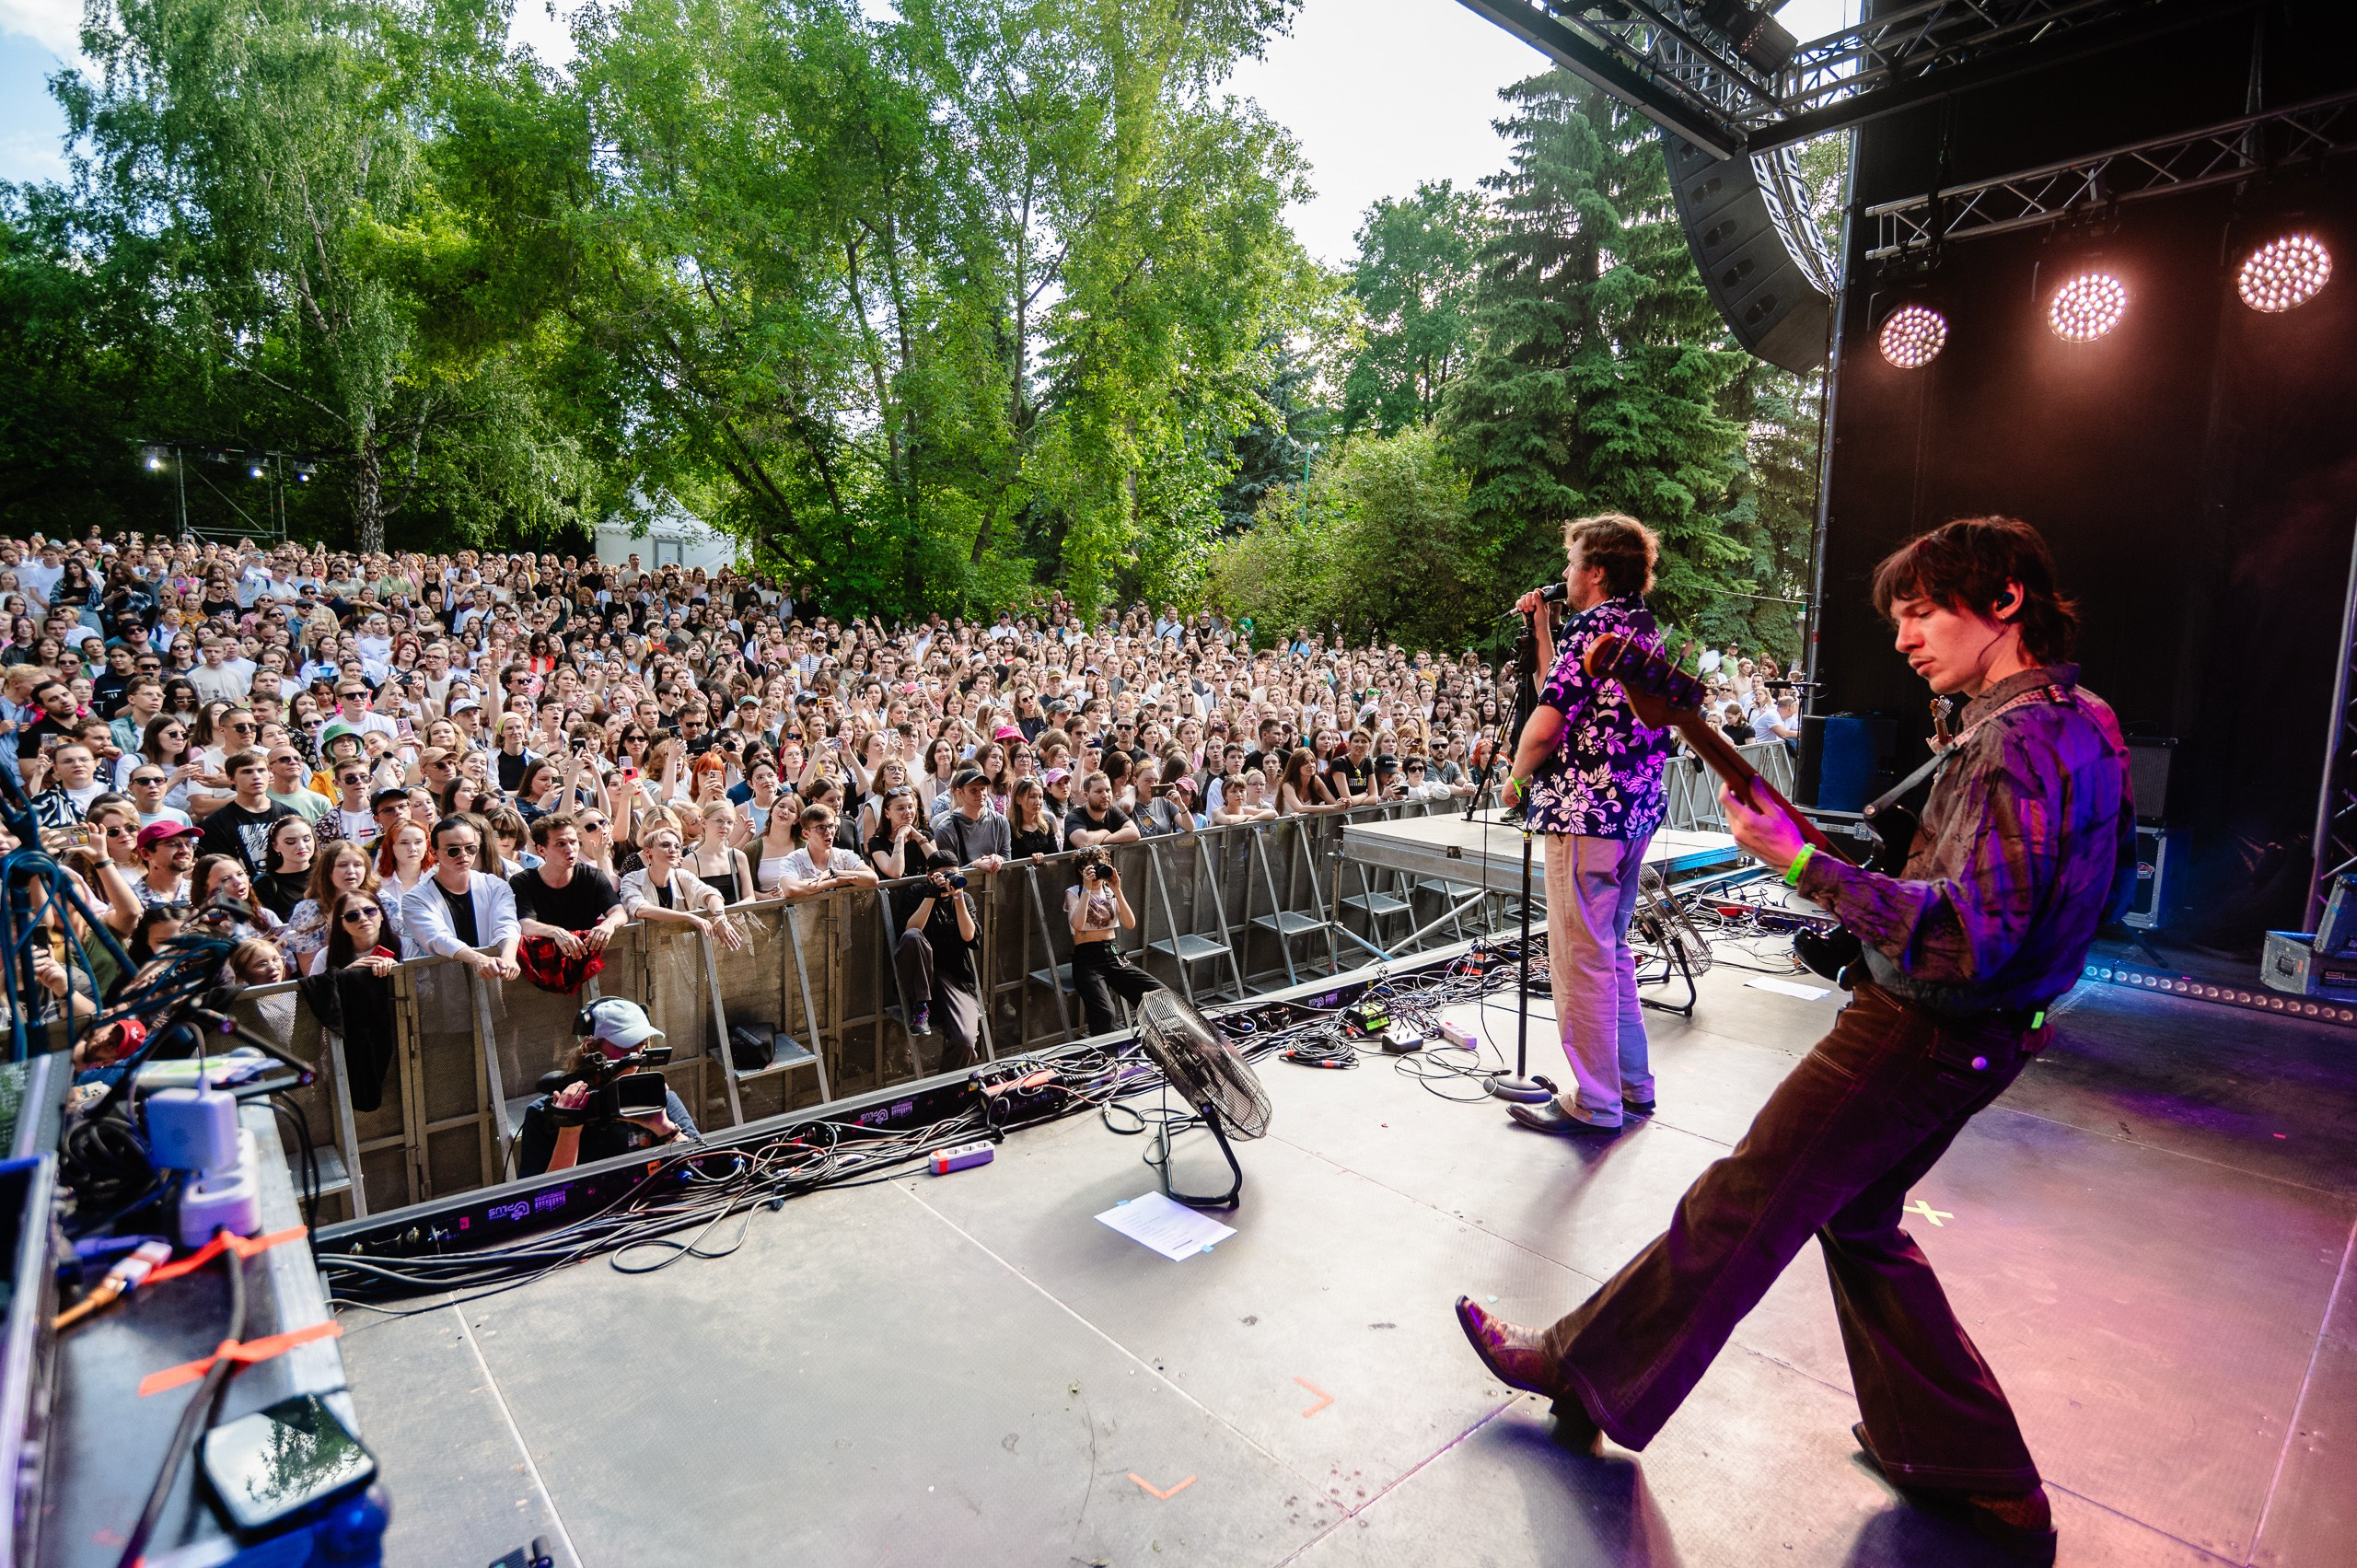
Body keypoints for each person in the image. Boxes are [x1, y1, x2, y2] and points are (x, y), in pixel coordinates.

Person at [1457, 516, 2133, 1567]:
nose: (1905, 637)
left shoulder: (2011, 738)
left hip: (1923, 1024)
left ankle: (1580, 1366)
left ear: (2004, 600)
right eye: (1899, 617)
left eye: (1922, 611)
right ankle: (1973, 1466)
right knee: (1857, 1217)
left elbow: (1960, 932)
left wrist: (1798, 866)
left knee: (1745, 1196)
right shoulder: (2083, 718)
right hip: (1995, 1035)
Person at [1498, 514, 1677, 1135]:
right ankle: (1632, 1083)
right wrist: (1543, 628)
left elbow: (1547, 723)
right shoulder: (1641, 628)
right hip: (1633, 814)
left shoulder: (1594, 628)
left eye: (1573, 563)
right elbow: (1564, 690)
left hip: (1584, 815)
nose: (1566, 574)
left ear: (1596, 571)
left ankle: (1596, 1100)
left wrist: (1516, 776)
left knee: (1580, 958)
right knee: (1611, 949)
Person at [516, 999, 699, 1177]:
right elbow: (541, 1199)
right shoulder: (545, 1112)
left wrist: (664, 1128)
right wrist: (569, 1130)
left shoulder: (657, 1098)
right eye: (624, 1046)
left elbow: (702, 1166)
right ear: (590, 1047)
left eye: (641, 1045)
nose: (635, 1057)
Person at [398, 816, 522, 981]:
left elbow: (507, 924)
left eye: (470, 848)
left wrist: (508, 958)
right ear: (434, 853)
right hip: (446, 984)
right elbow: (437, 937)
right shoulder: (415, 898)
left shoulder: (496, 886)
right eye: (453, 850)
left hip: (495, 978)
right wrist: (478, 959)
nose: (463, 855)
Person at [889, 849, 981, 1060]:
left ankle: (950, 1090)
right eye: (944, 874)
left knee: (965, 1042)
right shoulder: (917, 892)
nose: (950, 878)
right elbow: (910, 930)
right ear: (930, 875)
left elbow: (969, 936)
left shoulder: (964, 899)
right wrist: (932, 893)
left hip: (955, 978)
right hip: (923, 976)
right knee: (913, 936)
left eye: (954, 873)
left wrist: (957, 897)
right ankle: (921, 1007)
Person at [1064, 846, 1158, 1036]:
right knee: (1105, 1013)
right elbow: (1078, 924)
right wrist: (1087, 889)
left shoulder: (1110, 892)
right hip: (1086, 959)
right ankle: (1104, 1058)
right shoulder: (1074, 892)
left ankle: (1155, 1039)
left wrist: (1118, 890)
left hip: (1112, 952)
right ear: (1081, 871)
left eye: (1100, 868)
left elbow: (1130, 923)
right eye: (1091, 869)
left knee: (1157, 993)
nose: (1097, 875)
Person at [508, 812, 627, 960]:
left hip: (584, 958)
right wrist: (556, 932)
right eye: (560, 844)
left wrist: (608, 924)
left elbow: (619, 911)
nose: (569, 849)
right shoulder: (522, 882)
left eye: (573, 842)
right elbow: (525, 924)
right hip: (540, 963)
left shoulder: (592, 876)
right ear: (541, 850)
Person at [194, 749, 294, 883]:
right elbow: (216, 871)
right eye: (247, 771)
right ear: (231, 778)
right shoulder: (216, 824)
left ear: (270, 773)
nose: (256, 776)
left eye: (261, 770)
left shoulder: (290, 815)